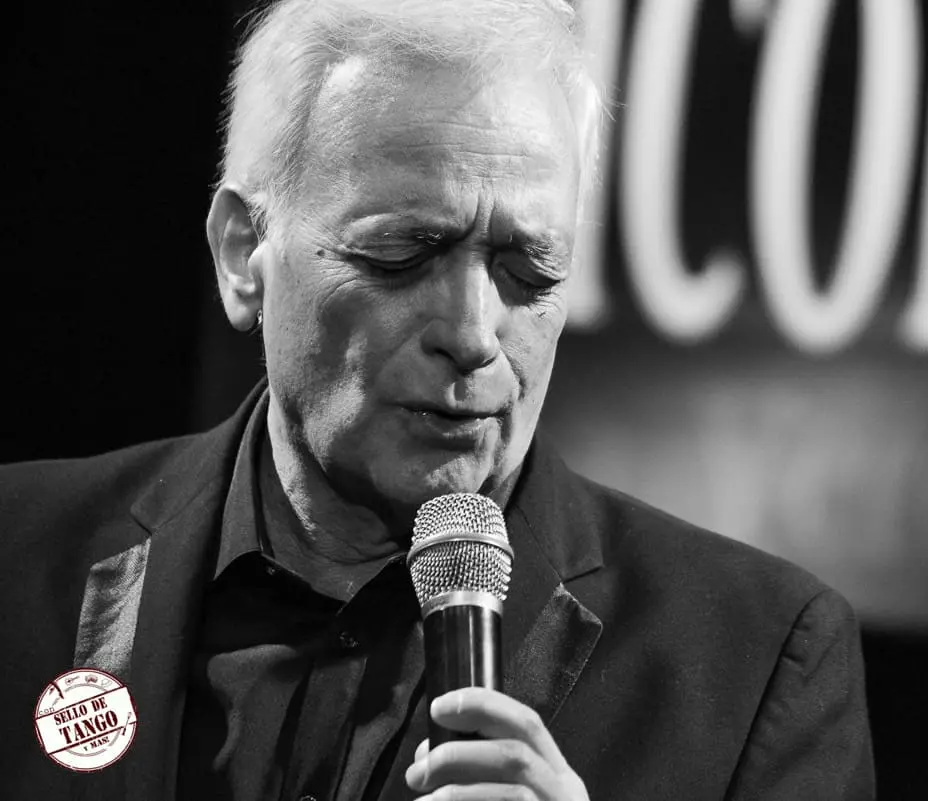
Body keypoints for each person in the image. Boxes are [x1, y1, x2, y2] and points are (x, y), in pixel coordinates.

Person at [0, 1, 874, 798]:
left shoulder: (757, 666)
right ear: (243, 253)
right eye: (402, 254)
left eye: (530, 270)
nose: (473, 332)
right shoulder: (19, 555)